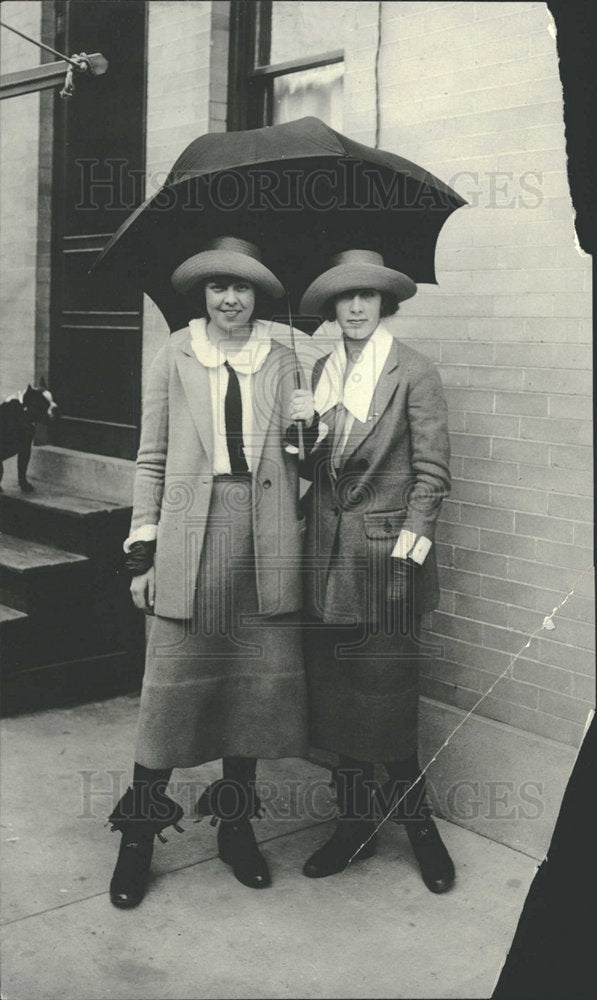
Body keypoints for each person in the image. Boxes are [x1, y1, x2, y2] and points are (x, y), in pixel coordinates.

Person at [108, 236, 314, 907]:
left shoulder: (283, 361)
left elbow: (300, 467)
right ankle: (137, 836)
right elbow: (151, 458)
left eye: (244, 288)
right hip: (189, 538)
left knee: (249, 696)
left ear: (259, 296)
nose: (230, 299)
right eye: (219, 287)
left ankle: (235, 828)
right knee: (168, 696)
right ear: (201, 294)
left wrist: (307, 435)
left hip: (263, 541)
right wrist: (143, 551)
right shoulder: (174, 354)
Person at [298, 249, 455, 892]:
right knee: (337, 705)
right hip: (327, 563)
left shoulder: (414, 371)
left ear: (384, 303)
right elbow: (311, 472)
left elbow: (433, 477)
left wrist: (407, 560)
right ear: (332, 308)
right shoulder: (320, 370)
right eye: (344, 298)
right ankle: (352, 826)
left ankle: (420, 829)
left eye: (367, 297)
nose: (356, 308)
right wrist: (302, 431)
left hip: (388, 566)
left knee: (386, 704)